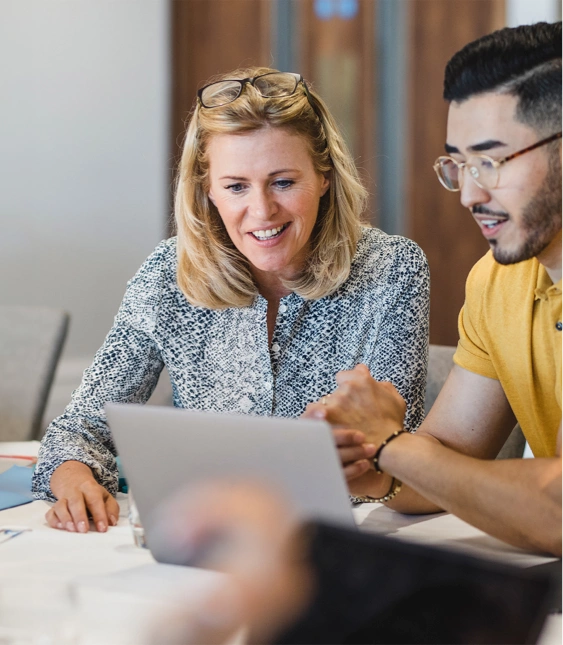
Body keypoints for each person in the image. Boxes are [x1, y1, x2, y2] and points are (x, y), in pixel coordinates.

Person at [32, 67, 429, 532]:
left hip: (349, 542)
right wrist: (73, 478)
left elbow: (398, 456)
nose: (261, 211)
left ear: (324, 176)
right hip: (209, 539)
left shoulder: (392, 269)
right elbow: (78, 429)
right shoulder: (168, 273)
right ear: (207, 190)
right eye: (236, 186)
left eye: (283, 182)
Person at [305, 21, 563, 556]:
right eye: (459, 164)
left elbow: (557, 512)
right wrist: (370, 464)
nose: (468, 194)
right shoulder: (498, 279)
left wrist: (392, 445)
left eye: (489, 162)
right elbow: (448, 455)